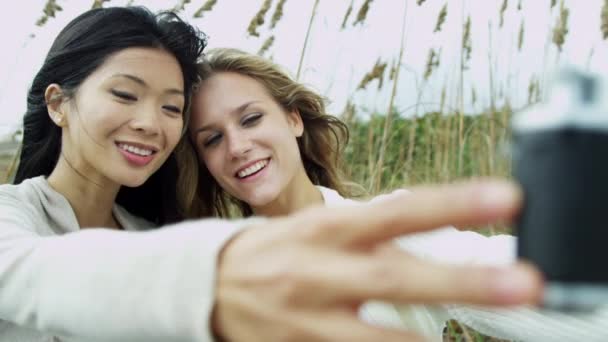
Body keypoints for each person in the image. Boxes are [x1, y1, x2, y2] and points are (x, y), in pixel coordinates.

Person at [0, 7, 543, 342]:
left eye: (170, 108)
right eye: (124, 94)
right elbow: (25, 273)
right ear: (58, 103)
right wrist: (202, 279)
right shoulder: (18, 220)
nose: (149, 123)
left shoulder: (163, 235)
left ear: (293, 118)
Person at [182, 48, 608, 341]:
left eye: (251, 119)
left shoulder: (391, 229)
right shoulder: (221, 272)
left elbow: (547, 293)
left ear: (294, 119)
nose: (237, 146)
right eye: (212, 139)